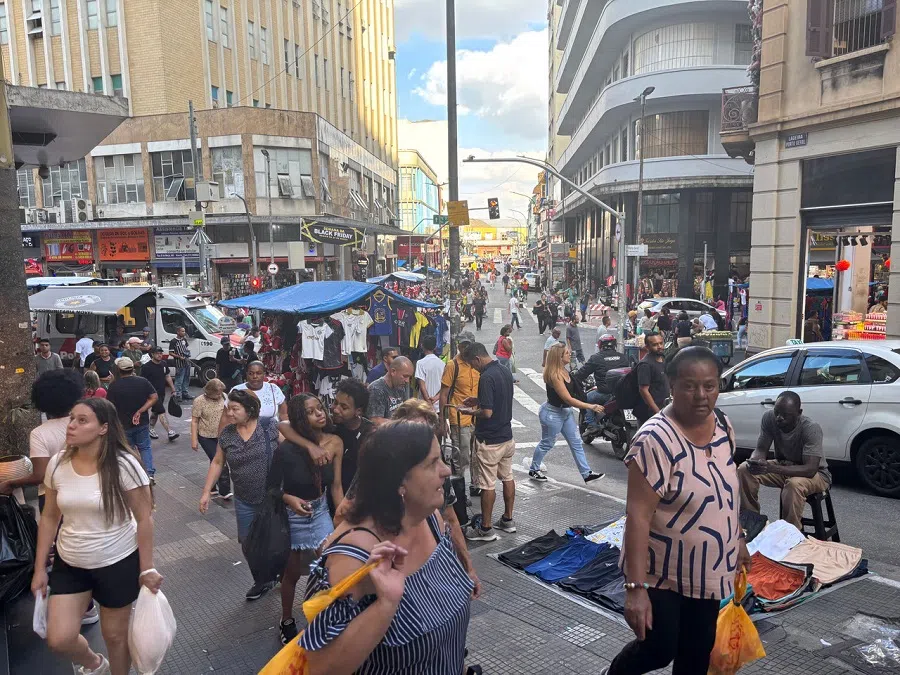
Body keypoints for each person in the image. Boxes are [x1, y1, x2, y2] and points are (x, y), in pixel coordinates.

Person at [605, 347, 749, 675]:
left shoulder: (723, 425)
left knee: (697, 652)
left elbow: (726, 490)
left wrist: (738, 538)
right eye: (689, 385)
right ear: (671, 385)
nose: (701, 395)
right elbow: (638, 515)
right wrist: (636, 589)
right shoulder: (654, 440)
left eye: (710, 386)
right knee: (659, 647)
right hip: (662, 572)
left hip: (708, 569)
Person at [299, 422, 472, 675]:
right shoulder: (354, 558)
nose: (446, 470)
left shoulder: (432, 520)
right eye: (432, 463)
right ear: (399, 481)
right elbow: (320, 668)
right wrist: (385, 605)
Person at [31, 398, 159, 675]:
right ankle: (94, 664)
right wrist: (40, 568)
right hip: (70, 562)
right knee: (59, 638)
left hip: (117, 562)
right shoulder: (57, 464)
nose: (72, 425)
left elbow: (144, 517)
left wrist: (147, 567)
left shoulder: (124, 464)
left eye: (82, 420)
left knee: (115, 637)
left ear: (103, 428)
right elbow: (50, 516)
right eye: (71, 418)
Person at [268, 394, 343, 645]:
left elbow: (336, 486)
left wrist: (342, 523)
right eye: (311, 412)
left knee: (329, 566)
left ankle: (325, 616)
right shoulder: (287, 449)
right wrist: (288, 498)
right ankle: (287, 619)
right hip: (294, 516)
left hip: (321, 511)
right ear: (301, 419)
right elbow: (270, 488)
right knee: (291, 573)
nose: (320, 413)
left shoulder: (335, 441)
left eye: (320, 408)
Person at [200, 388, 280, 600]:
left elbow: (290, 448)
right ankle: (262, 580)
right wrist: (207, 491)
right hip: (244, 498)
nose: (229, 414)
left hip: (272, 498)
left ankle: (278, 574)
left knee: (274, 541)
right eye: (229, 409)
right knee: (247, 543)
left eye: (235, 409)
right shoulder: (227, 434)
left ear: (250, 410)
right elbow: (218, 462)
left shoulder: (268, 426)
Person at [737, 391, 831, 530]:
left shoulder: (811, 428)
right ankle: (751, 520)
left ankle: (790, 534)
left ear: (799, 413)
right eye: (777, 412)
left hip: (817, 475)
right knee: (744, 469)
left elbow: (810, 469)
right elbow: (761, 449)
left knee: (793, 484)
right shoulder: (769, 418)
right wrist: (756, 460)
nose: (779, 418)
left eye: (785, 415)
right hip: (784, 466)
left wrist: (771, 468)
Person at [459, 342, 516, 542]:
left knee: (487, 485)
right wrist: (478, 400)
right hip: (507, 437)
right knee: (507, 477)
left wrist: (471, 411)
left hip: (490, 440)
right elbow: (500, 398)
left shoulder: (486, 377)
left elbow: (488, 412)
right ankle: (508, 520)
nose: (473, 369)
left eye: (472, 365)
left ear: (477, 359)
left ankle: (485, 528)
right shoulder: (504, 370)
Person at [529, 344, 604, 484]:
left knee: (576, 442)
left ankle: (586, 473)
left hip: (566, 412)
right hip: (552, 414)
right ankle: (534, 468)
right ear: (559, 357)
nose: (570, 354)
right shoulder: (555, 375)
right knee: (547, 443)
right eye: (567, 353)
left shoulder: (564, 370)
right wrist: (590, 406)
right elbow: (568, 399)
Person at [105, 357, 158, 483]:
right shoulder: (142, 381)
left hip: (123, 424)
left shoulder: (114, 386)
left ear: (118, 370)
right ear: (132, 368)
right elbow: (154, 397)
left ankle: (132, 474)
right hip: (141, 422)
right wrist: (141, 410)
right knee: (145, 448)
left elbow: (109, 406)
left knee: (127, 450)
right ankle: (149, 474)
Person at [440, 331, 480, 498]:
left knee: (477, 455)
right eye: (462, 345)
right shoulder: (452, 365)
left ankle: (476, 485)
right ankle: (459, 489)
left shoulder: (477, 364)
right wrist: (443, 421)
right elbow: (444, 394)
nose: (465, 348)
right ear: (458, 346)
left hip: (477, 417)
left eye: (468, 345)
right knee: (461, 456)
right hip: (459, 417)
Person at [576, 334, 631, 428]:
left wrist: (574, 377)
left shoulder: (596, 358)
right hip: (623, 394)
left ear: (601, 345)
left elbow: (581, 374)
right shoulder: (623, 357)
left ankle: (591, 425)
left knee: (585, 399)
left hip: (605, 393)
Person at [330, 379, 373, 493]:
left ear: (358, 411)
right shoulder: (328, 425)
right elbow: (284, 426)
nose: (336, 409)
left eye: (344, 407)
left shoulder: (370, 434)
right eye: (335, 402)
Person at [191, 379, 232, 499]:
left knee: (214, 460)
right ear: (209, 391)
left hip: (221, 435)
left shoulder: (225, 396)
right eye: (217, 393)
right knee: (219, 459)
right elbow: (194, 421)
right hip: (205, 436)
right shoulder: (199, 401)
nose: (219, 395)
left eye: (220, 392)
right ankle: (225, 490)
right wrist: (194, 440)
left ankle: (212, 486)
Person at [141, 347, 180, 442]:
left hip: (161, 392)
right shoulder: (147, 367)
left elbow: (167, 376)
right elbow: (143, 381)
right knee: (161, 411)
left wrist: (173, 389)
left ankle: (150, 429)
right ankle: (170, 432)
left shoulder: (163, 364)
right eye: (157, 353)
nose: (159, 355)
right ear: (152, 354)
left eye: (160, 353)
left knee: (155, 412)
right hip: (152, 394)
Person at [633, 334, 669, 427]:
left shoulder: (664, 360)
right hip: (650, 415)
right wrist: (657, 412)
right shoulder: (646, 364)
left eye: (661, 343)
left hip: (664, 411)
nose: (659, 347)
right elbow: (644, 390)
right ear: (647, 347)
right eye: (655, 345)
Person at [366, 355, 413, 425]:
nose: (407, 381)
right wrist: (403, 424)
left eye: (409, 377)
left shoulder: (400, 387)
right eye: (405, 376)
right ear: (393, 371)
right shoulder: (377, 389)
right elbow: (375, 421)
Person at [415, 335, 445, 412]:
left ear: (422, 346)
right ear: (435, 347)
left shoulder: (420, 363)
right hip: (438, 405)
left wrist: (429, 405)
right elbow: (445, 386)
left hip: (424, 406)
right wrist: (436, 398)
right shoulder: (442, 364)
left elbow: (422, 386)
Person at [169, 326, 193, 401]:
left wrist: (187, 354)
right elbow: (170, 353)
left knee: (186, 378)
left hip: (186, 362)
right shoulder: (173, 341)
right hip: (179, 363)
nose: (184, 332)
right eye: (182, 331)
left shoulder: (184, 340)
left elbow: (186, 348)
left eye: (184, 331)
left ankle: (185, 393)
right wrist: (179, 357)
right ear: (178, 332)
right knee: (179, 379)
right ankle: (178, 395)